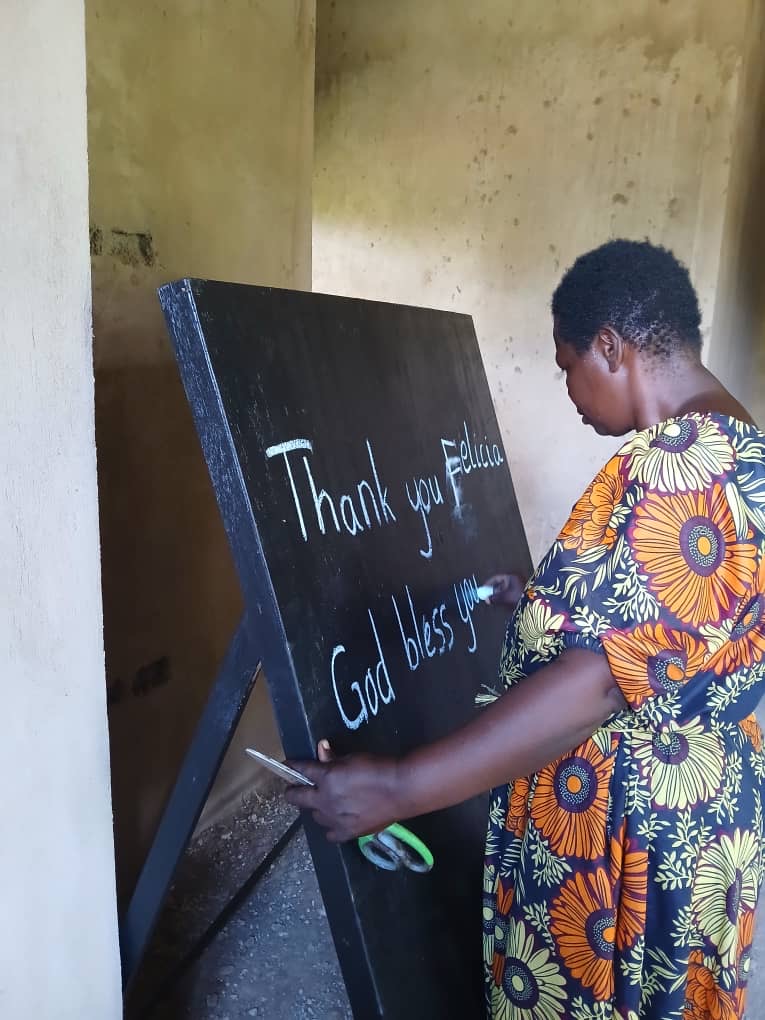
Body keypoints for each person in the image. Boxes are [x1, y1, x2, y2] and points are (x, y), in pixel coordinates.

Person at [286, 239, 765, 1019]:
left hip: (625, 839)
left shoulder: (684, 458)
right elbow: (665, 632)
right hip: (695, 819)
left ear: (609, 347)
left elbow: (602, 680)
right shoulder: (733, 443)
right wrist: (545, 605)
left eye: (566, 363)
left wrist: (400, 788)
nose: (568, 389)